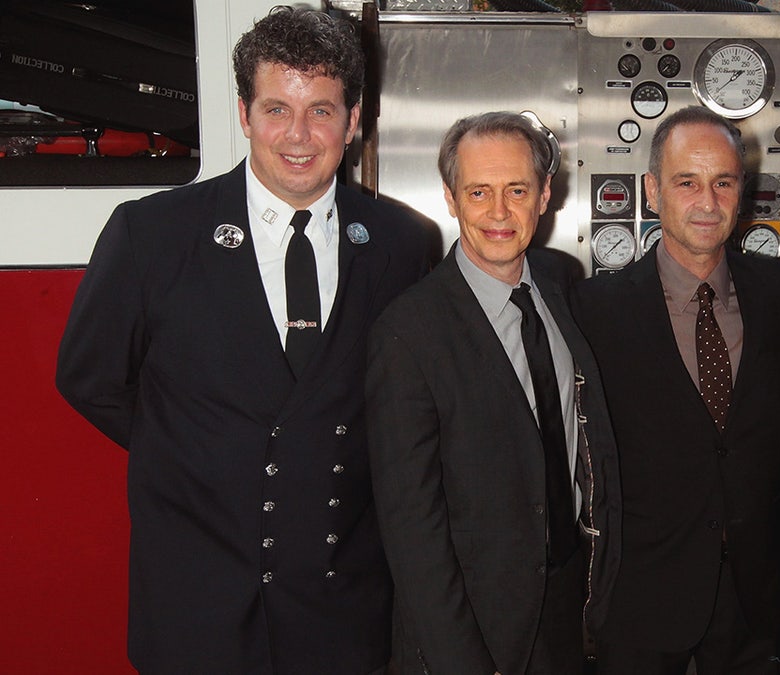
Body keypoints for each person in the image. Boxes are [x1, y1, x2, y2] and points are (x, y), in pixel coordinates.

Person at [55, 7, 429, 673]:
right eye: (276, 108)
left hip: (342, 611)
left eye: (320, 109)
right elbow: (89, 378)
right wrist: (193, 449)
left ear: (355, 117)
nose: (298, 134)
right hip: (199, 609)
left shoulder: (403, 244)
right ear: (244, 114)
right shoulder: (152, 234)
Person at [365, 111, 621, 675]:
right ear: (452, 199)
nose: (499, 213)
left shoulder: (562, 284)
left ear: (545, 194)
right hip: (471, 630)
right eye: (478, 192)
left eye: (517, 190)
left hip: (567, 613)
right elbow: (412, 531)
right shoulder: (408, 333)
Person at [576, 106, 780, 675]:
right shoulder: (593, 310)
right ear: (653, 191)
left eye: (723, 182)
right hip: (640, 599)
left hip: (757, 598)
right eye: (687, 182)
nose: (707, 202)